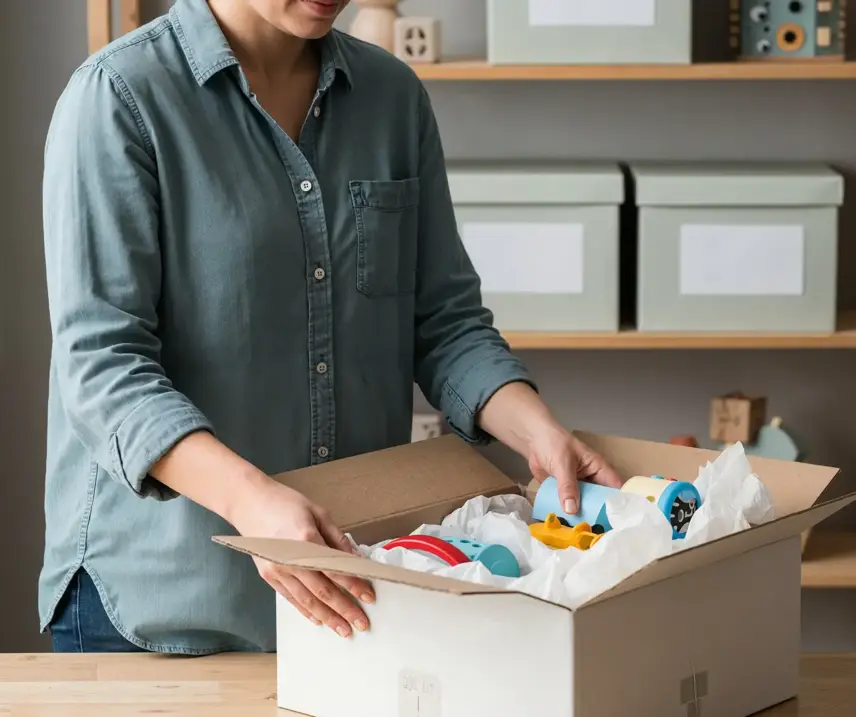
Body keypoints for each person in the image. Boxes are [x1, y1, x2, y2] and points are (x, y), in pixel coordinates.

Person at [39, 0, 622, 655]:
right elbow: (102, 367)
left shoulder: (392, 97)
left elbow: (445, 322)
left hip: (353, 593)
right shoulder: (120, 97)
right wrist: (255, 503)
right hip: (162, 605)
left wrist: (538, 430)